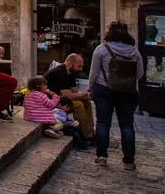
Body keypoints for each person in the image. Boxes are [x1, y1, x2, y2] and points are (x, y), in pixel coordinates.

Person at [88, 22, 144, 170]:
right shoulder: (134, 52)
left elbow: (94, 73)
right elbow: (140, 74)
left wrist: (90, 87)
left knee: (103, 122)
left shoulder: (102, 49)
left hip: (104, 89)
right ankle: (129, 161)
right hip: (127, 92)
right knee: (127, 125)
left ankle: (102, 156)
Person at [44, 53, 94, 139]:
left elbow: (75, 91)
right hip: (49, 99)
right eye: (79, 66)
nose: (81, 69)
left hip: (60, 98)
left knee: (87, 102)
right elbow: (69, 96)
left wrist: (90, 96)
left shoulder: (70, 73)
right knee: (78, 104)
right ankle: (86, 135)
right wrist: (85, 94)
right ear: (70, 63)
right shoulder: (60, 72)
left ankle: (90, 130)